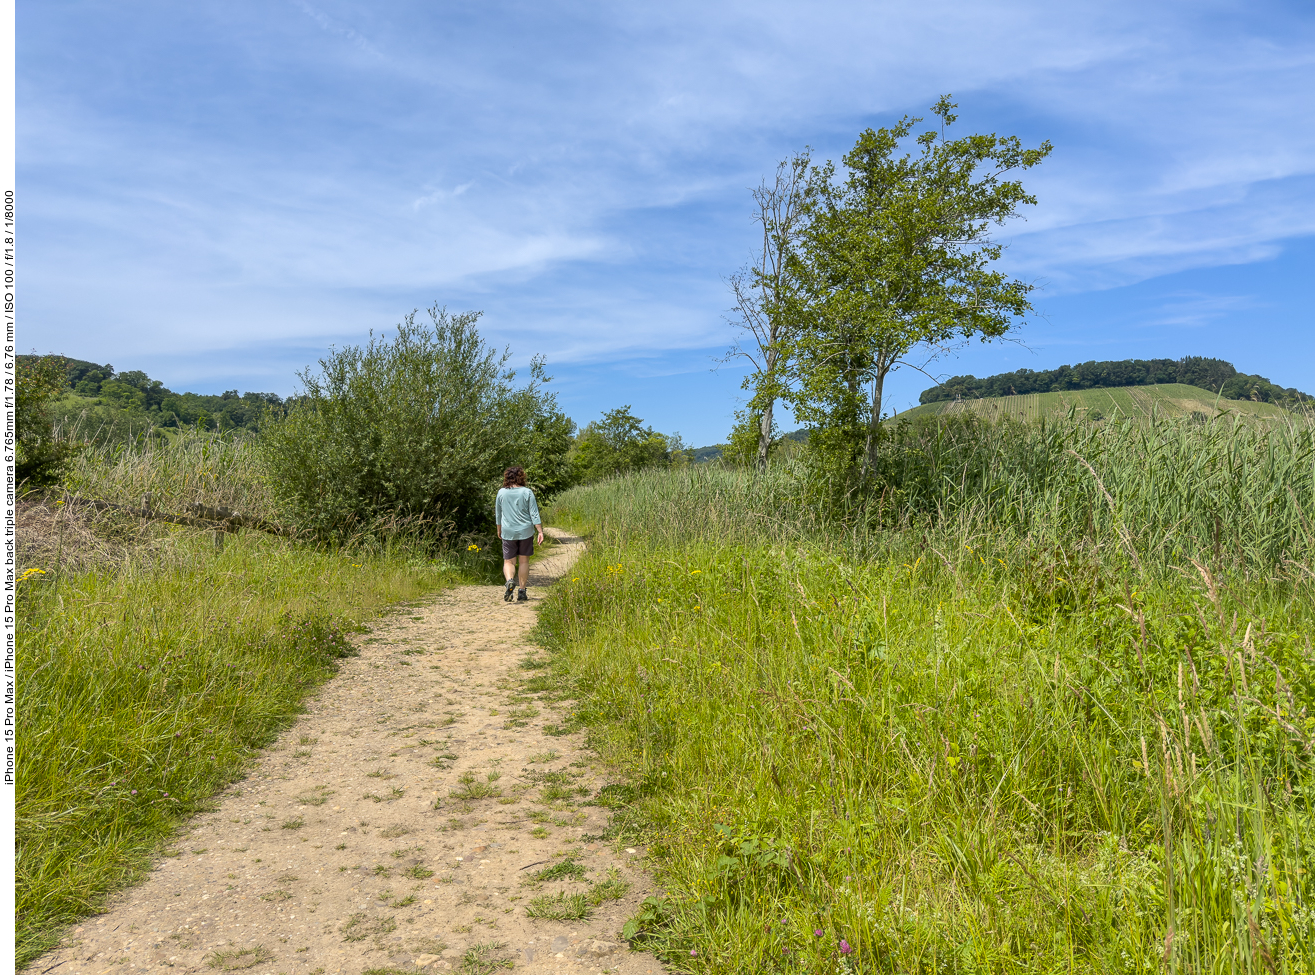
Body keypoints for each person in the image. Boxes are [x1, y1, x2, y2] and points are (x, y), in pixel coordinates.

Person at [495, 466, 544, 602]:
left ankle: (510, 581)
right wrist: (540, 531)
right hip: (525, 531)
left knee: (509, 561)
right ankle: (522, 591)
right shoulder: (527, 492)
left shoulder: (501, 493)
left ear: (507, 477)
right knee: (524, 561)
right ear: (522, 477)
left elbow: (498, 514)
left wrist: (499, 529)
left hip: (508, 530)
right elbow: (534, 513)